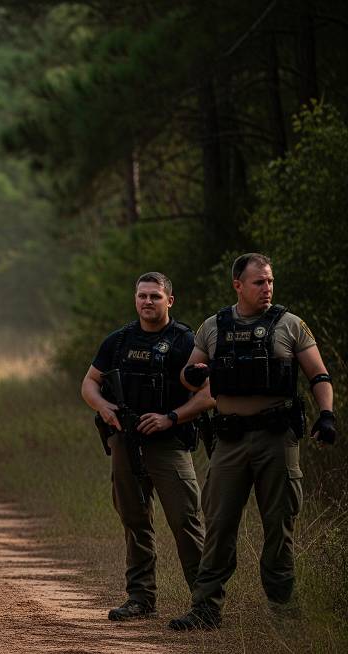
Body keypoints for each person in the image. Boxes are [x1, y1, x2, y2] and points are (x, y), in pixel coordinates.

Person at [169, 253, 337, 631]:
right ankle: (205, 608)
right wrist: (193, 373)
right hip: (229, 440)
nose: (267, 288)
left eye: (271, 282)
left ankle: (282, 611)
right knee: (219, 523)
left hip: (276, 439)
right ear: (238, 285)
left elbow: (319, 374)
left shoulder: (290, 325)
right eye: (259, 282)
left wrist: (326, 414)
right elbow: (189, 375)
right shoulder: (214, 326)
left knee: (280, 524)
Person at [80, 272, 212, 622]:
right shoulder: (119, 341)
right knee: (134, 520)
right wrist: (103, 407)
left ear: (169, 300)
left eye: (155, 296)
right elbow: (90, 383)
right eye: (142, 296)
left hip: (168, 444)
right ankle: (140, 598)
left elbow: (209, 395)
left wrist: (171, 416)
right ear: (135, 299)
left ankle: (205, 603)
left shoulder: (186, 342)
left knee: (185, 520)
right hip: (126, 441)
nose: (147, 302)